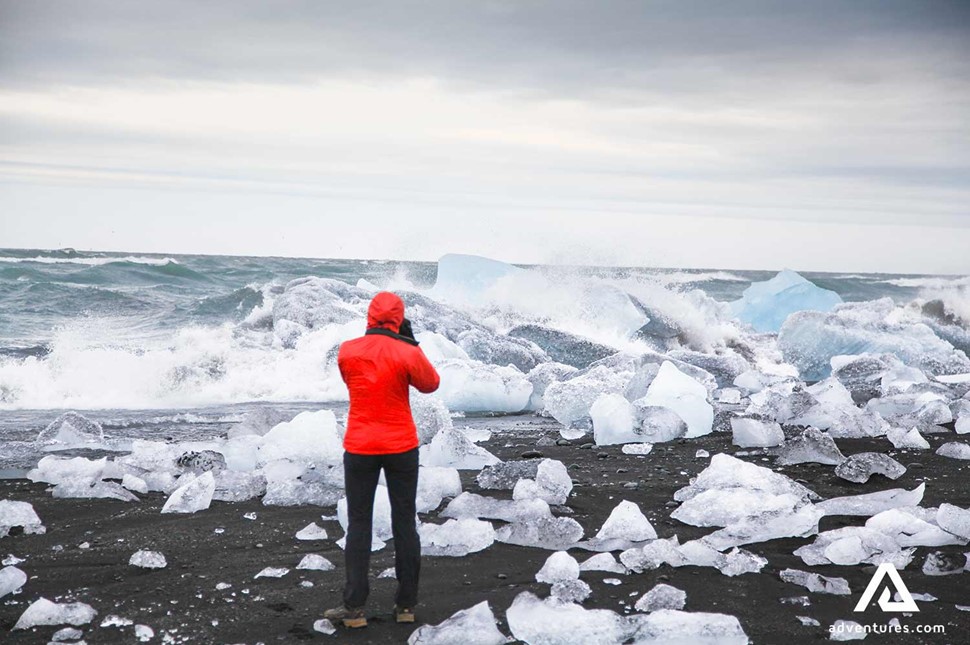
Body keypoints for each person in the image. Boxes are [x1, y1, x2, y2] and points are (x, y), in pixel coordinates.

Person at [324, 291, 440, 629]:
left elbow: (353, 382)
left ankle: (354, 609)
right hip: (401, 445)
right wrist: (409, 343)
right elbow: (430, 384)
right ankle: (406, 606)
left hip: (360, 446)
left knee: (359, 524)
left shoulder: (348, 350)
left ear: (369, 316)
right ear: (398, 317)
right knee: (405, 521)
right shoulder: (407, 351)